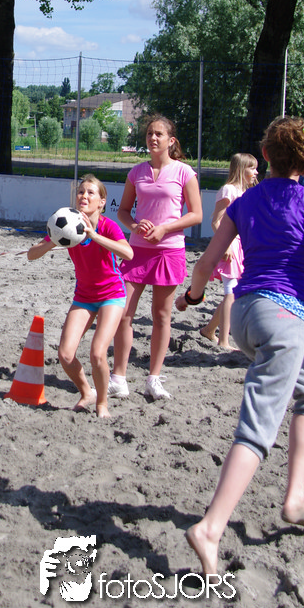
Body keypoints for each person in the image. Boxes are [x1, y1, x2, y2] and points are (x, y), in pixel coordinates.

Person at [177, 116, 304, 576]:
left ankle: (294, 499)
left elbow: (206, 264)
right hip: (284, 319)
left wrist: (193, 297)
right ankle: (210, 527)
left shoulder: (245, 201)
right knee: (257, 428)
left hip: (245, 316)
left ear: (267, 155)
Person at [111, 116, 203, 401]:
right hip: (136, 250)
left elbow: (196, 215)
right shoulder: (136, 172)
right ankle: (118, 378)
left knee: (161, 316)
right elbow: (123, 211)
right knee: (123, 313)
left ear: (170, 140)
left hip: (169, 250)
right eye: (150, 133)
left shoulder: (184, 172)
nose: (153, 138)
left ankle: (154, 378)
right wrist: (135, 225)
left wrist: (165, 228)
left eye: (159, 134)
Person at [27, 174, 133, 417]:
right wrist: (53, 242)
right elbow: (31, 255)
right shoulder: (66, 223)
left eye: (90, 193)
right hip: (84, 295)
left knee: (97, 353)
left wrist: (95, 236)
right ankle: (87, 392)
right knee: (65, 354)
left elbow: (128, 254)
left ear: (102, 202)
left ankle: (102, 404)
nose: (84, 196)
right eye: (81, 192)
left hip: (112, 294)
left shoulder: (107, 226)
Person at [199, 153, 258, 349]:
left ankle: (209, 330)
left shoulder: (246, 191)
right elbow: (216, 221)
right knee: (230, 292)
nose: (256, 172)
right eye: (252, 168)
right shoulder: (229, 190)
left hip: (241, 245)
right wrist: (225, 245)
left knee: (234, 292)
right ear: (241, 169)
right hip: (230, 244)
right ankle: (223, 340)